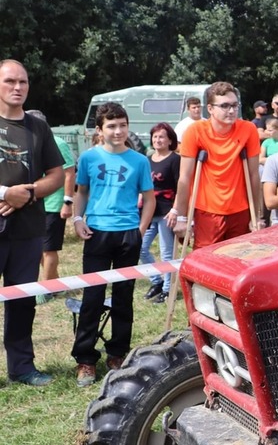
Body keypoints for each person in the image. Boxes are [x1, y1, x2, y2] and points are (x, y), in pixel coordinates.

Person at [71, 102, 155, 387]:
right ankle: (85, 360)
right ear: (100, 130)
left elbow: (150, 198)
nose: (118, 131)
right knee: (92, 298)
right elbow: (81, 192)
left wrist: (140, 230)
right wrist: (77, 219)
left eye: (122, 125)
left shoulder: (140, 161)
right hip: (97, 234)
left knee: (124, 296)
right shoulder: (89, 158)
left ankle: (118, 354)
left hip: (127, 235)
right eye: (111, 126)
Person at [0, 60, 66, 387]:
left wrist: (29, 193)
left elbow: (57, 174)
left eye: (23, 82)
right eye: (10, 81)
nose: (17, 87)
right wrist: (5, 193)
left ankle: (22, 368)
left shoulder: (38, 127)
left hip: (27, 231)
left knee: (22, 301)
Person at [167, 81, 262, 248]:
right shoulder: (195, 131)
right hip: (207, 212)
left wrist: (257, 216)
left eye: (234, 105)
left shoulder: (248, 129)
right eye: (225, 106)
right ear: (210, 109)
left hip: (241, 210)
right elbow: (185, 177)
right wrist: (181, 217)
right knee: (206, 264)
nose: (232, 111)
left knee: (238, 263)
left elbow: (254, 174)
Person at [24, 110, 75, 304]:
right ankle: (55, 283)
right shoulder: (32, 144)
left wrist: (67, 202)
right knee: (39, 248)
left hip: (54, 205)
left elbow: (69, 174)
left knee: (48, 249)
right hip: (36, 204)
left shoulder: (58, 143)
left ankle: (46, 289)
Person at [139, 123, 181, 304]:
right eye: (155, 137)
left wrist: (175, 210)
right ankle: (156, 281)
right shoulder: (147, 159)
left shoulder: (175, 159)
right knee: (140, 247)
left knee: (166, 253)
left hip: (166, 211)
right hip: (148, 211)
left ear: (170, 140)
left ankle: (167, 289)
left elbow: (181, 187)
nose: (158, 140)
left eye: (161, 137)